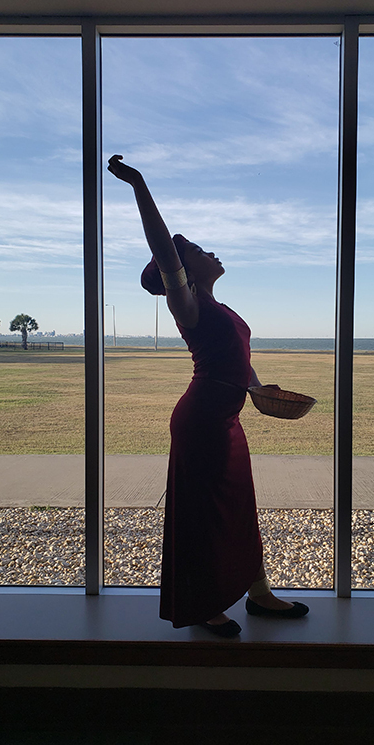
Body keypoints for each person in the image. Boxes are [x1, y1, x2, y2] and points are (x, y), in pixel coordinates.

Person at [108, 154, 309, 637]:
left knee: (239, 503)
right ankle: (202, 603)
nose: (207, 251)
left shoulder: (219, 308)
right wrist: (138, 186)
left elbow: (237, 355)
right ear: (180, 271)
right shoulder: (188, 303)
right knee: (203, 511)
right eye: (194, 250)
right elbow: (164, 248)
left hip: (226, 419)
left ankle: (258, 593)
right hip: (201, 420)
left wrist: (258, 387)